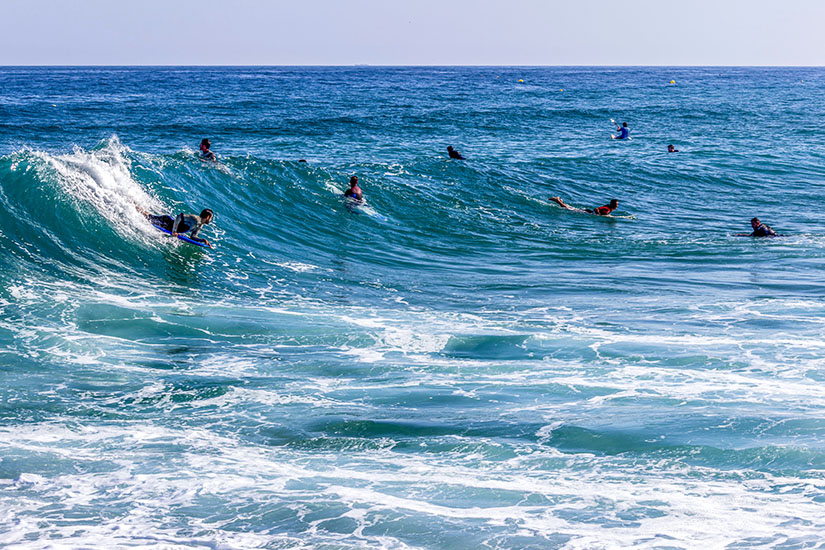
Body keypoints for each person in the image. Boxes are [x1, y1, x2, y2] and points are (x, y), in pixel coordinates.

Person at [137, 206, 214, 247]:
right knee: (146, 216)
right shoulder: (195, 219)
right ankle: (133, 204)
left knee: (147, 217)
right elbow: (179, 217)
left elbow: (193, 236)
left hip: (168, 227)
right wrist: (174, 231)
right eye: (211, 218)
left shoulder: (200, 225)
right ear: (207, 217)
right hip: (166, 222)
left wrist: (202, 240)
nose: (210, 220)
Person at [549, 197, 619, 216]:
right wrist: (598, 215)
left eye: (617, 205)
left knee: (570, 208)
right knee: (566, 208)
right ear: (611, 204)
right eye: (615, 205)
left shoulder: (608, 208)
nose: (616, 206)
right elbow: (596, 209)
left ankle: (560, 201)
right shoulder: (607, 209)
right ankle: (558, 200)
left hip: (587, 211)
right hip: (586, 212)